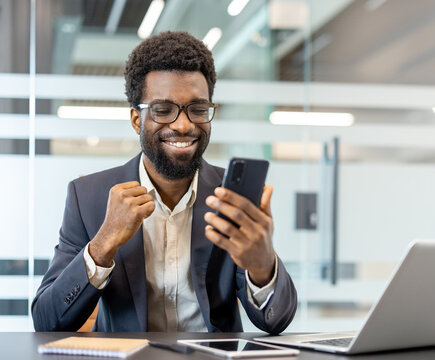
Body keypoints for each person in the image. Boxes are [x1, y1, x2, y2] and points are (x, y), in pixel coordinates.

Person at [31, 31, 297, 334]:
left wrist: (262, 266)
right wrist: (104, 243)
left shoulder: (230, 196)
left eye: (197, 109)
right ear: (136, 120)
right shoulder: (88, 197)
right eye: (163, 110)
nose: (183, 125)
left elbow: (277, 321)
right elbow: (46, 320)